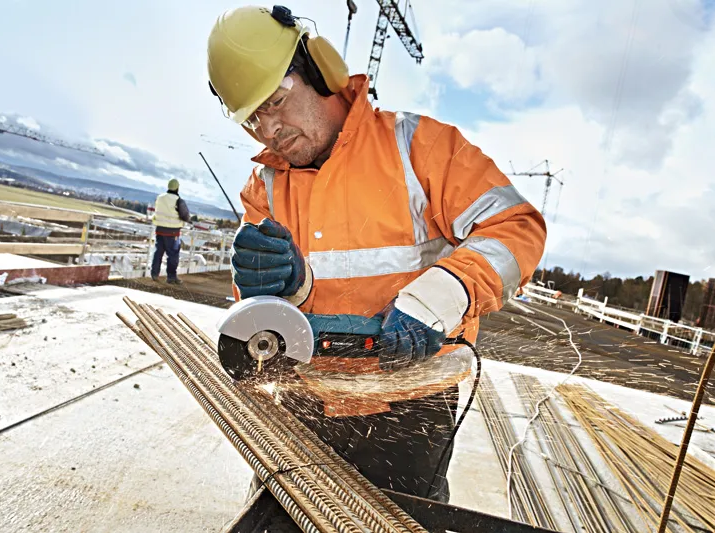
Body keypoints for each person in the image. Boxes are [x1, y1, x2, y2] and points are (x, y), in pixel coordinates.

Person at [206, 4, 547, 508]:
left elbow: (516, 228)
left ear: (318, 70)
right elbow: (254, 314)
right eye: (252, 118)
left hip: (411, 407)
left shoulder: (420, 147)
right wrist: (274, 291)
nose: (269, 129)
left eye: (276, 101)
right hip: (302, 399)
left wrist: (444, 294)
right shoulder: (265, 184)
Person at [151, 178, 191, 284]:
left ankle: (154, 274)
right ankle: (171, 277)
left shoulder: (160, 198)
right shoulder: (178, 200)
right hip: (173, 233)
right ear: (177, 188)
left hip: (159, 230)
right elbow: (185, 216)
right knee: (173, 255)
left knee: (158, 253)